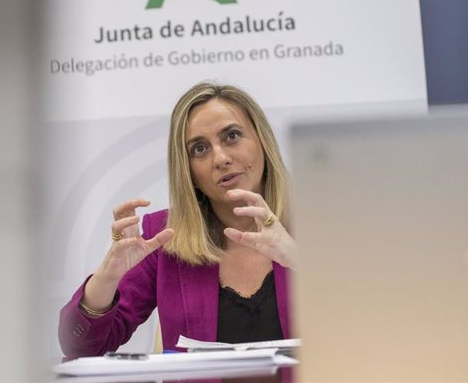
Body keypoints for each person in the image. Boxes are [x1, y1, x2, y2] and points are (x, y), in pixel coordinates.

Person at [58, 82, 297, 358]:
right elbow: (80, 347)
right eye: (199, 149)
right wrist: (108, 276)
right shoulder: (163, 237)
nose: (220, 158)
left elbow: (356, 326)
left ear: (262, 141)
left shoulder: (321, 223)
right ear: (188, 171)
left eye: (231, 136)